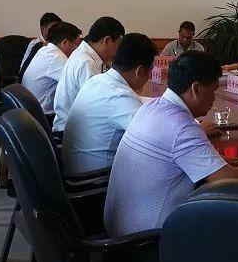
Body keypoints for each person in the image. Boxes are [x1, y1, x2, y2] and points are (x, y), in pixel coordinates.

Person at [105, 51, 238, 238]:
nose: (214, 97)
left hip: (120, 227)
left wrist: (218, 161)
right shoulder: (181, 126)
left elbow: (172, 154)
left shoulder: (152, 107)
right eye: (213, 90)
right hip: (148, 241)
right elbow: (228, 179)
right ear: (196, 88)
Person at [60, 33, 156, 175]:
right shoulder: (120, 97)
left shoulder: (98, 80)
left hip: (74, 166)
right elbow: (155, 138)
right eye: (150, 72)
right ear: (140, 71)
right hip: (94, 179)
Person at [52, 16, 125, 134]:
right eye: (117, 45)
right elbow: (99, 107)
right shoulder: (86, 62)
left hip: (73, 125)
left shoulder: (84, 54)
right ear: (106, 41)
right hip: (70, 132)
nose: (116, 51)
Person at [21, 21, 81, 118]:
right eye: (76, 44)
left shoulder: (45, 50)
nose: (77, 48)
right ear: (65, 42)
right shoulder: (56, 57)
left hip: (28, 111)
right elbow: (77, 86)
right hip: (43, 117)